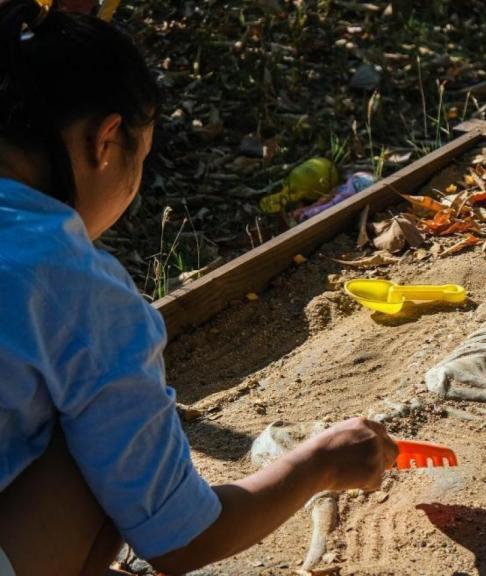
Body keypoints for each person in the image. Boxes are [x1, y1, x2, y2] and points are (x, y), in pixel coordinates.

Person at [0, 2, 398, 575]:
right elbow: (182, 540)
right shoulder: (71, 280)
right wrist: (319, 464)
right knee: (99, 456)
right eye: (140, 157)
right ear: (106, 140)